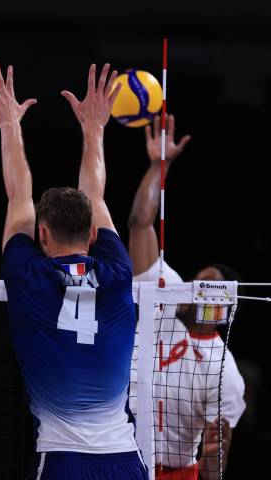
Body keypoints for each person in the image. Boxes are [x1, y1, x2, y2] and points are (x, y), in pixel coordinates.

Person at [0, 62, 147, 479]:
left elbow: (19, 193)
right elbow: (96, 194)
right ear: (93, 236)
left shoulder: (27, 275)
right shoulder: (116, 271)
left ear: (42, 233)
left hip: (62, 461)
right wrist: (95, 129)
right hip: (125, 460)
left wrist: (9, 124)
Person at [127, 115, 246, 480]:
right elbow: (140, 224)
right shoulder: (167, 297)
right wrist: (158, 165)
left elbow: (214, 470)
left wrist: (215, 452)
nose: (194, 287)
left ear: (222, 310)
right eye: (196, 280)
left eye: (206, 286)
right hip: (119, 458)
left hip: (175, 472)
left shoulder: (223, 372)